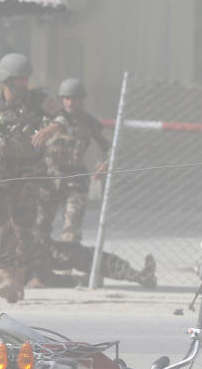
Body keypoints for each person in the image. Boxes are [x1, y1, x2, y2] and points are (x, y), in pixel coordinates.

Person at [29, 78, 156, 288]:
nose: (72, 103)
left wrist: (105, 164)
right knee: (40, 229)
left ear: (82, 100)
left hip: (75, 183)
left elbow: (112, 146)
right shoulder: (47, 122)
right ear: (62, 100)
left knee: (71, 232)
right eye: (68, 98)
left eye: (76, 98)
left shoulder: (88, 122)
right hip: (49, 182)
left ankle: (67, 270)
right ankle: (43, 272)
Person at [0, 53, 62, 303]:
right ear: (6, 80)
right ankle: (6, 277)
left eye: (26, 79)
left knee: (24, 228)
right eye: (19, 79)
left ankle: (19, 279)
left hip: (28, 175)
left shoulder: (37, 100)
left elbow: (62, 117)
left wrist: (50, 128)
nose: (23, 84)